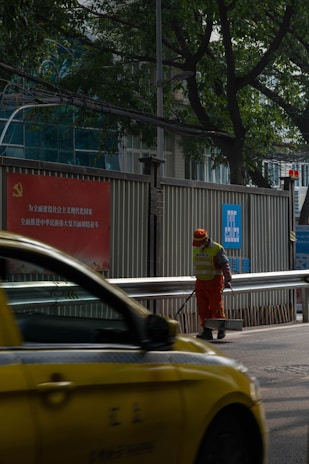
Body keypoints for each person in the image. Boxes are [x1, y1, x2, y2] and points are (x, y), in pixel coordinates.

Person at [192, 228, 232, 340]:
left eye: (199, 243)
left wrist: (228, 279)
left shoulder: (217, 249)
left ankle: (221, 329)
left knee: (216, 307)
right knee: (202, 309)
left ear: (205, 241)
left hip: (214, 282)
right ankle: (207, 331)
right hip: (200, 283)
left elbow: (224, 264)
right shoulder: (196, 249)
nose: (197, 245)